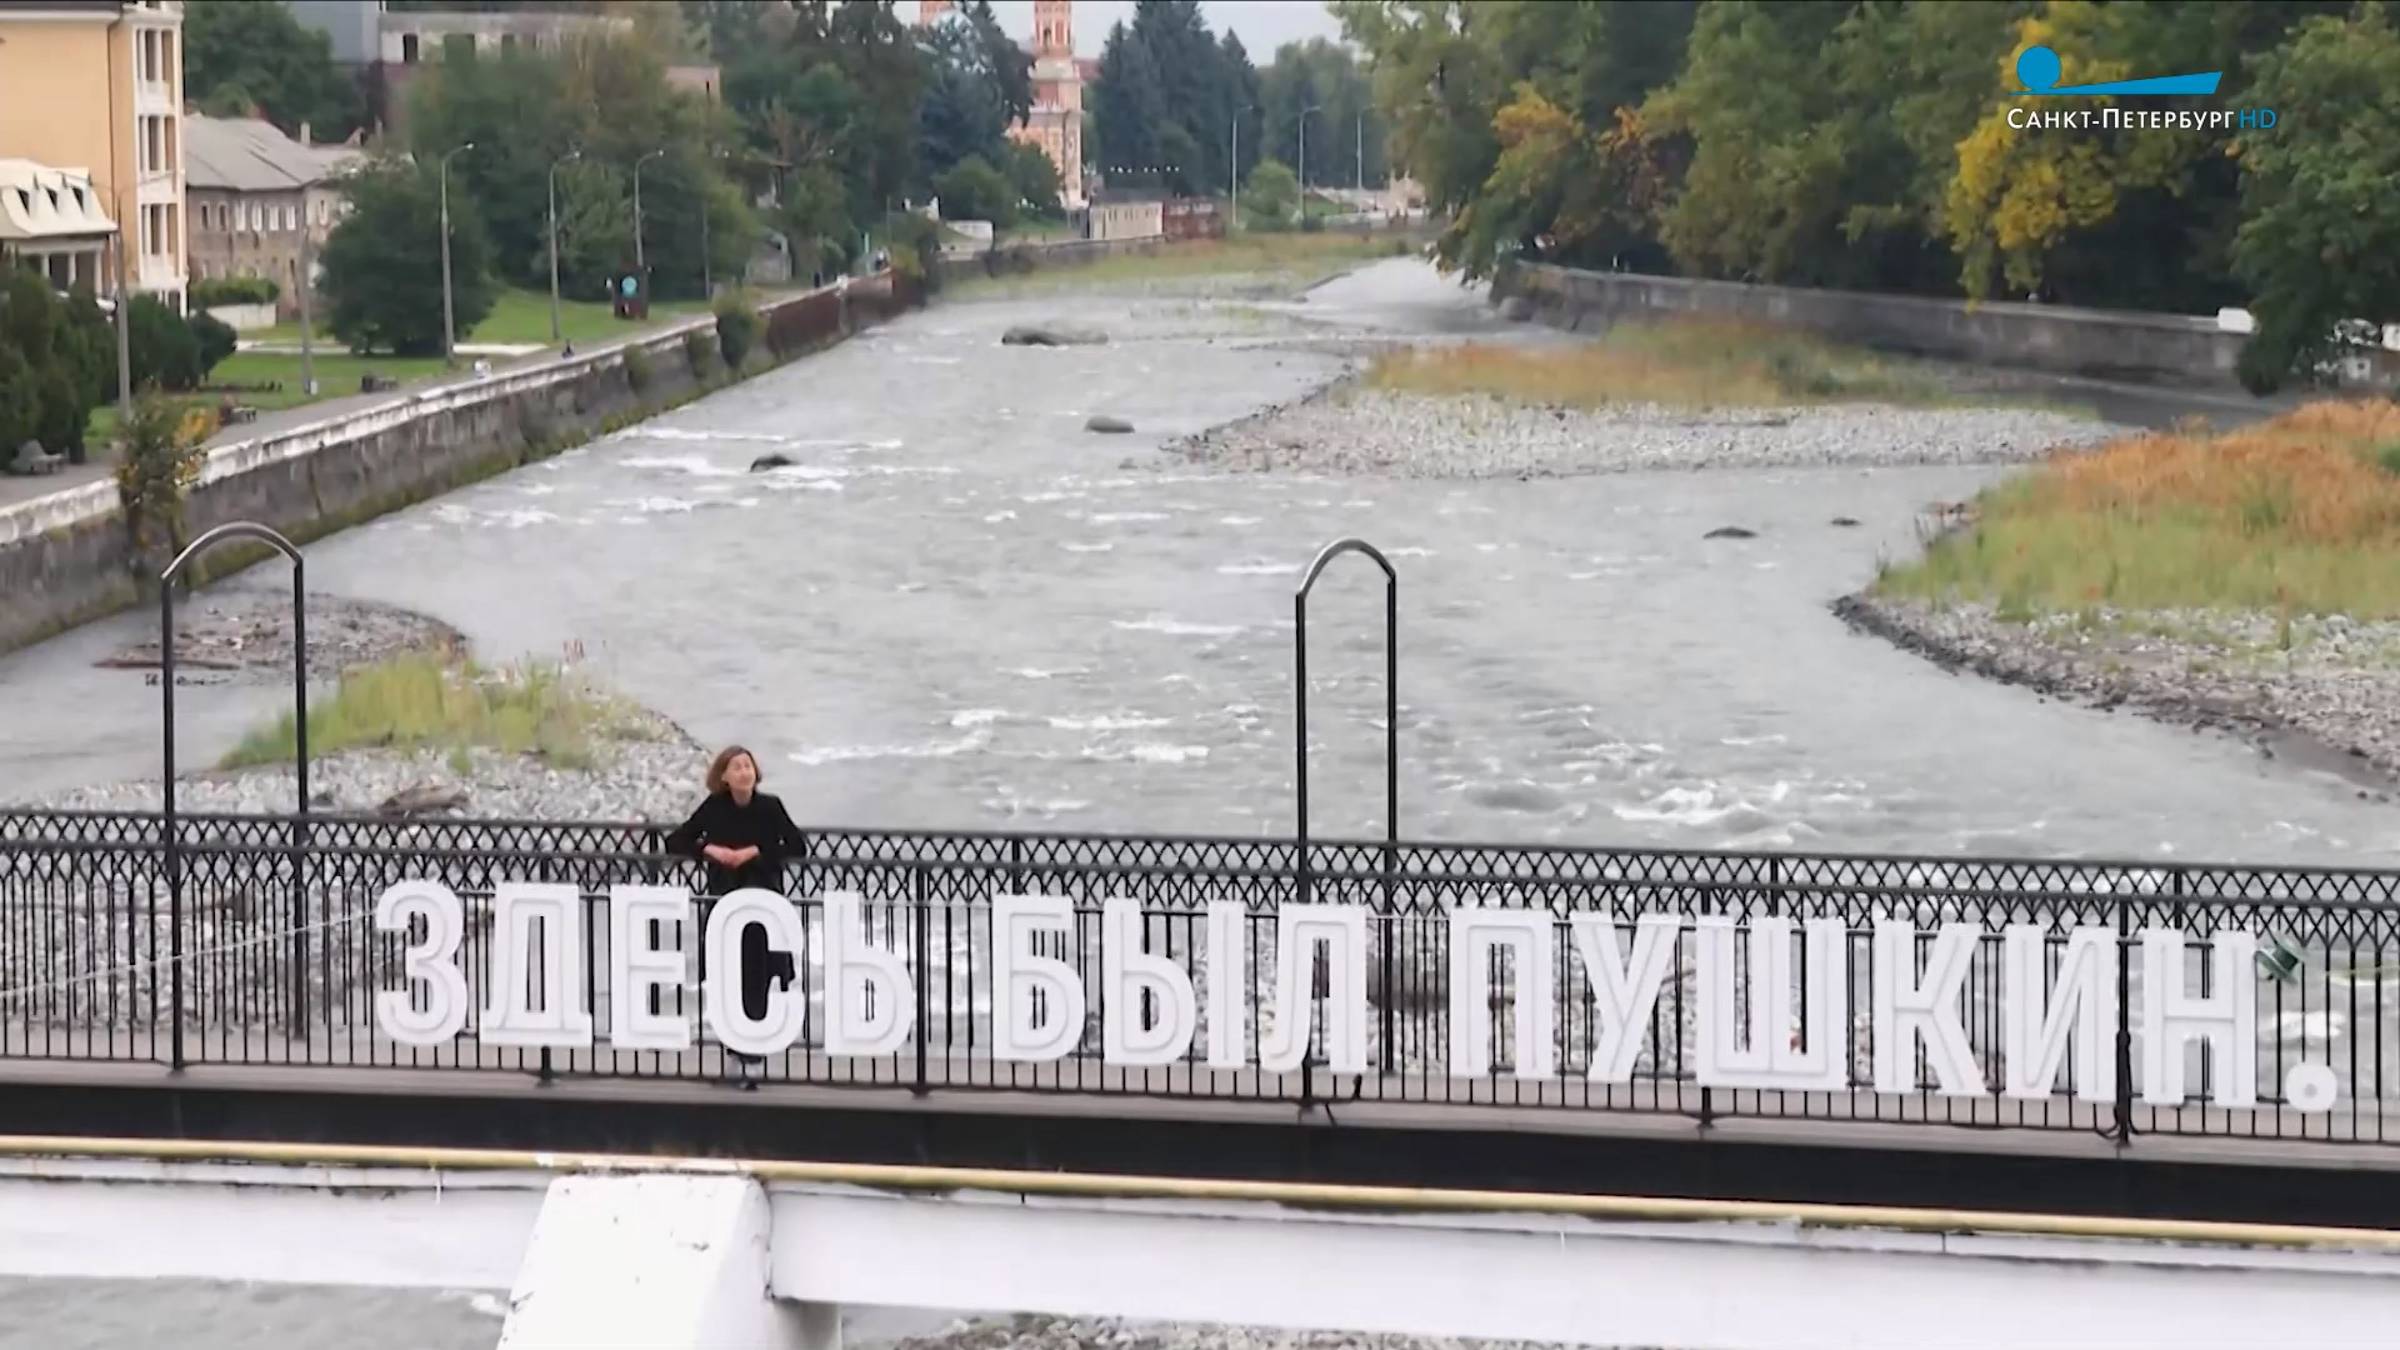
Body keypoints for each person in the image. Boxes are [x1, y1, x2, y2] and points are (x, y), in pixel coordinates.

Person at [665, 745, 806, 1079]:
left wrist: (754, 852)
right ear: (724, 777)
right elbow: (677, 840)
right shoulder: (714, 808)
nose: (745, 771)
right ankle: (735, 1049)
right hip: (724, 902)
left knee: (758, 973)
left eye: (748, 766)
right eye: (737, 767)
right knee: (727, 974)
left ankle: (753, 1052)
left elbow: (796, 844)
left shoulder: (770, 807)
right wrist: (708, 849)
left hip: (762, 903)